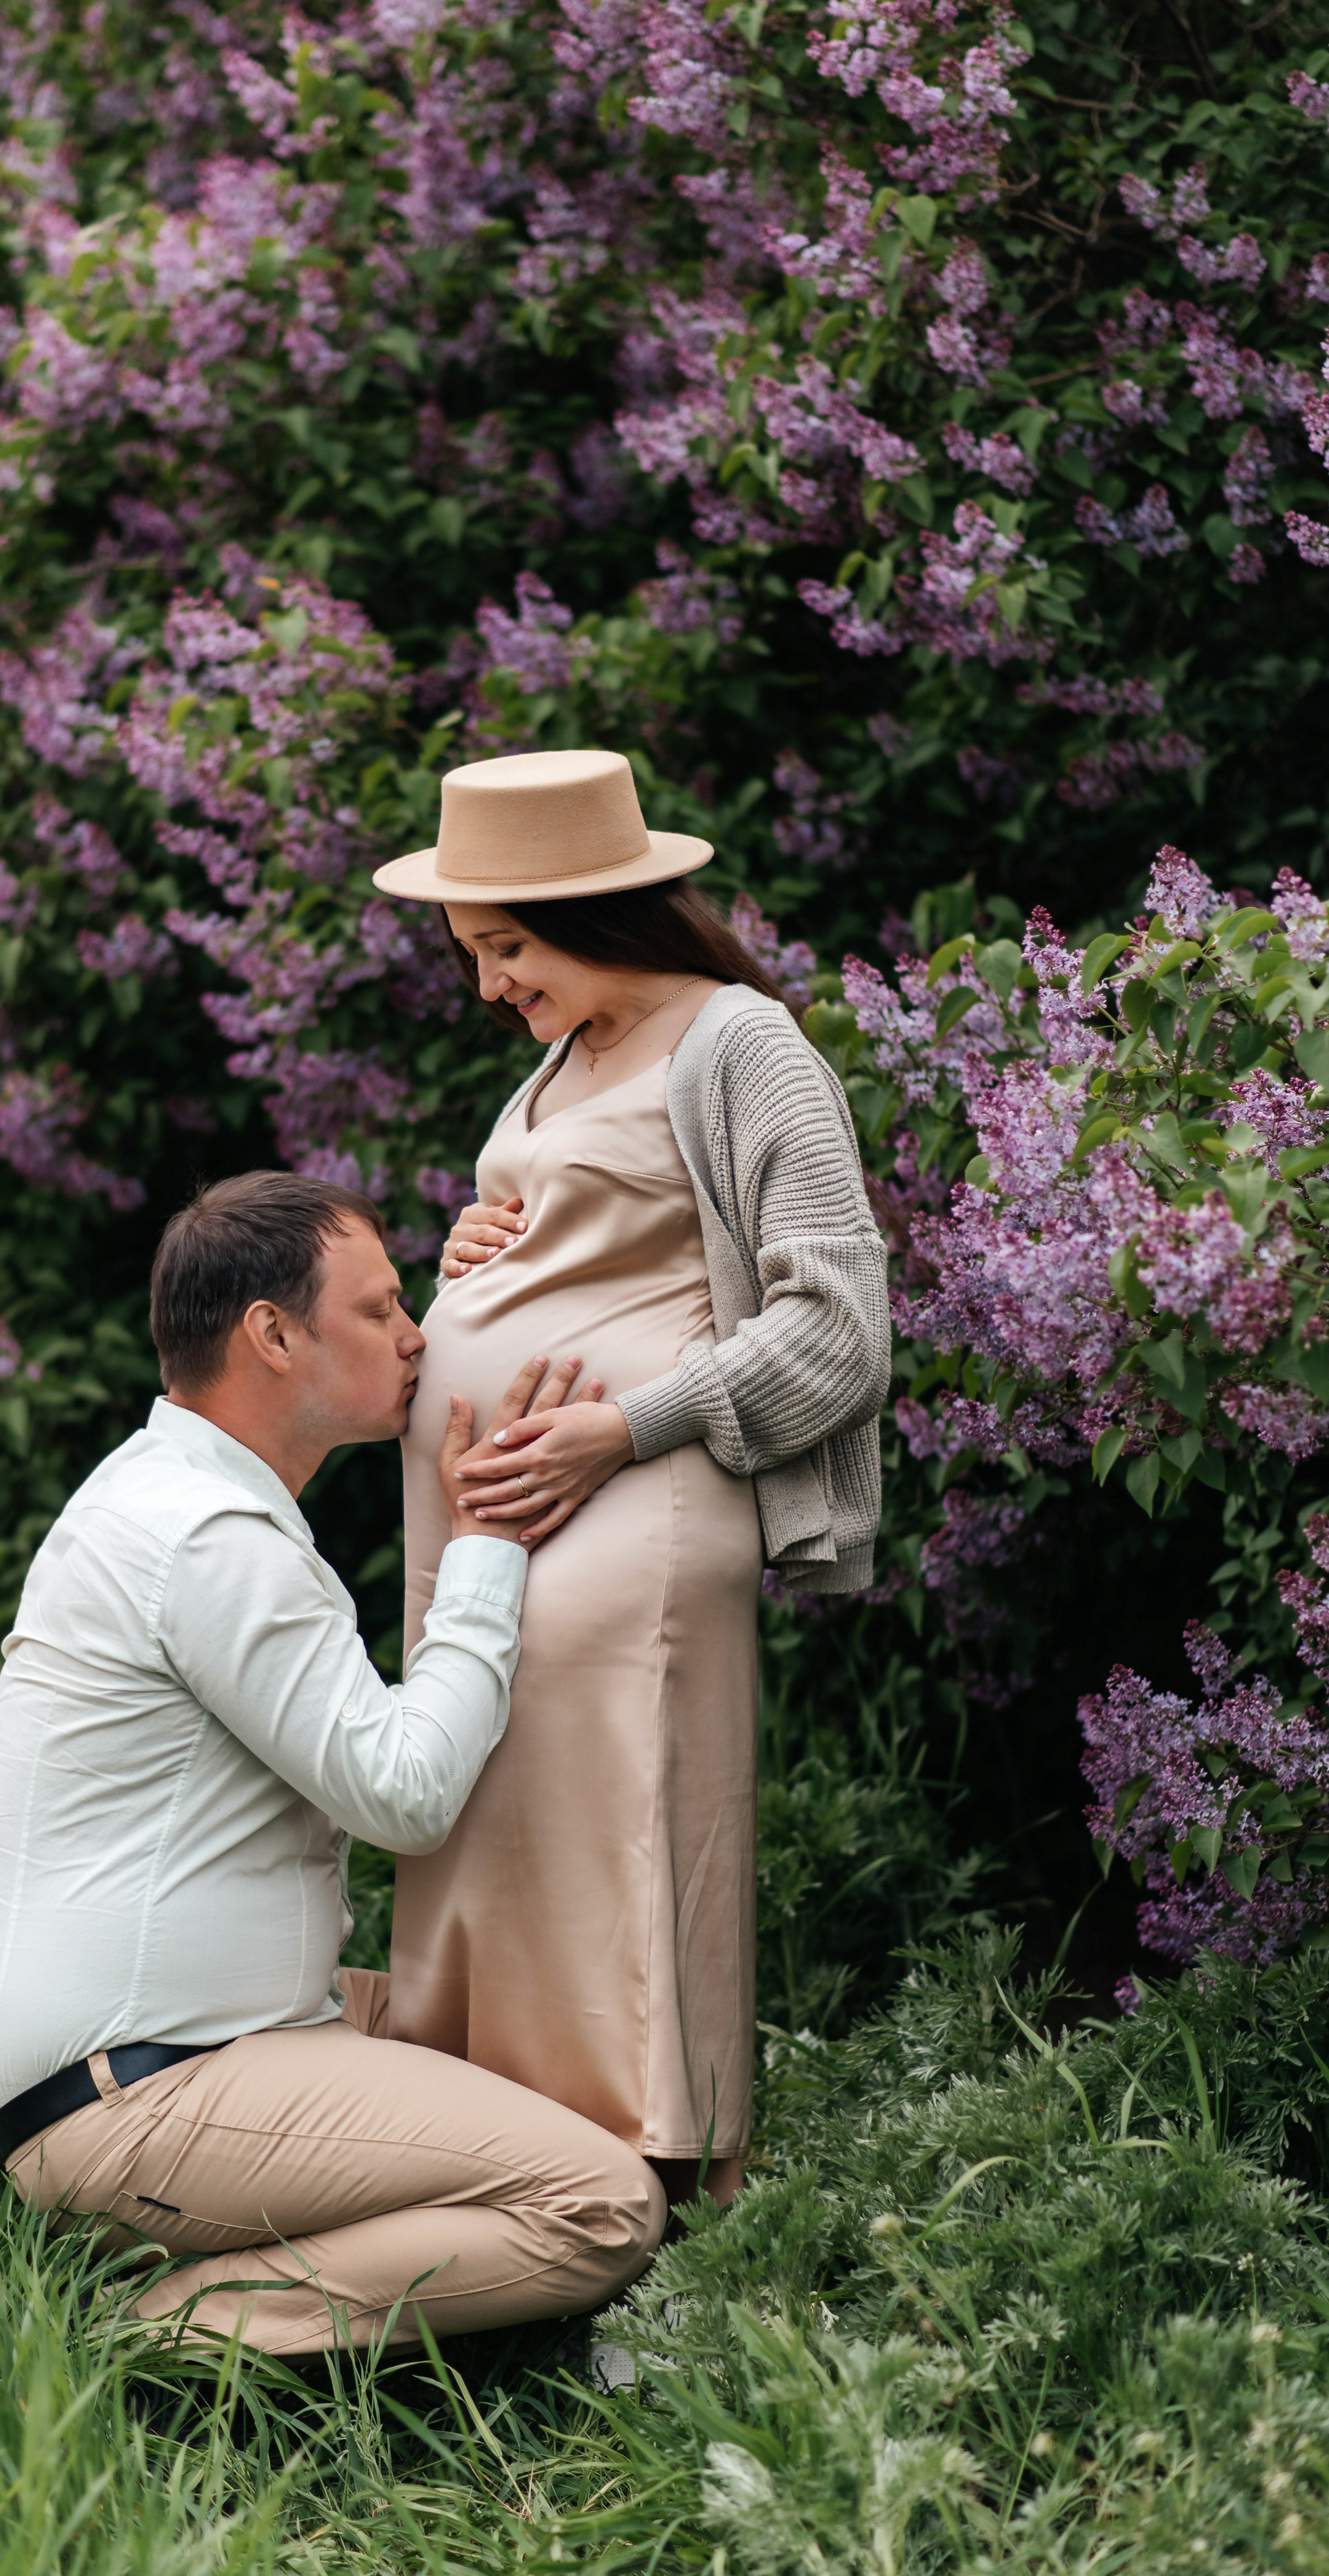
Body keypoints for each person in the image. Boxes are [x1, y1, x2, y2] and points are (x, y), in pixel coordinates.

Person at [0, 1169, 666, 2361]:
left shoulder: (173, 1496)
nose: (415, 1335)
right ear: (272, 1335)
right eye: (381, 1309)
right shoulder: (204, 1537)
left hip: (192, 2043)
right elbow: (404, 1793)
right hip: (140, 2093)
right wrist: (486, 1554)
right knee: (601, 2205)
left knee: (525, 2014)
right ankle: (158, 2332)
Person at [372, 749, 890, 2208]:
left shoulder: (740, 1046)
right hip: (486, 1527)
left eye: (507, 949)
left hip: (631, 1511)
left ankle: (679, 2198)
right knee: (493, 1850)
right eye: (475, 956)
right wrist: (469, 1255)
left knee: (626, 1843)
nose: (488, 990)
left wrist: (624, 1427)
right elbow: (594, 1251)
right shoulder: (565, 1055)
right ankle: (500, 2172)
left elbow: (836, 1326)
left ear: (602, 914)